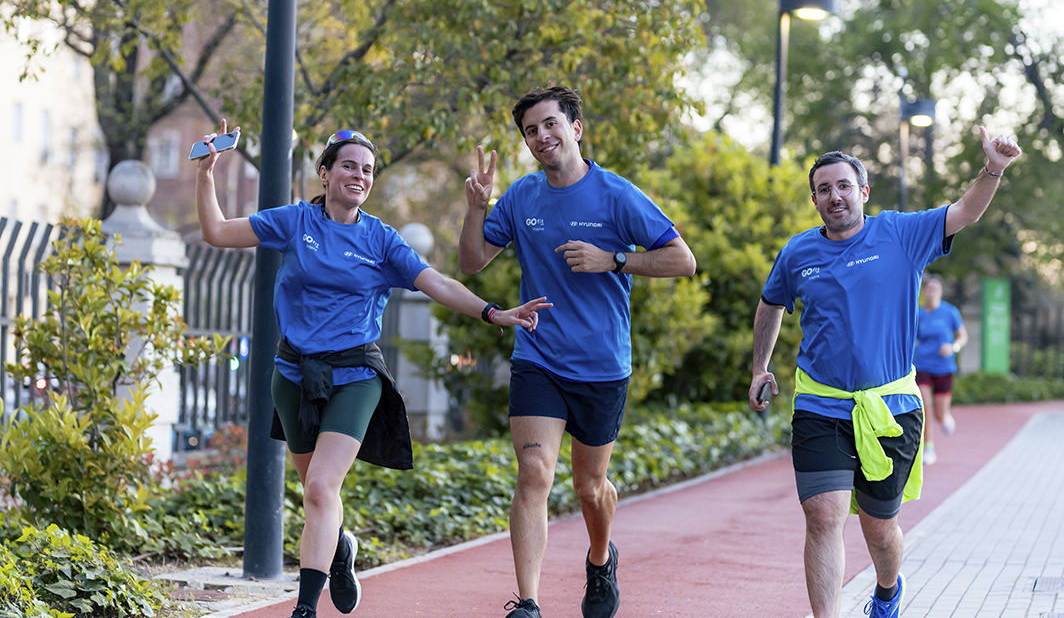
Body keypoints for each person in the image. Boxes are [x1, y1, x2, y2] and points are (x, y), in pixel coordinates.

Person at [196, 122, 552, 618]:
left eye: (367, 170)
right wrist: (207, 176)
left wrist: (494, 312)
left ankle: (304, 609)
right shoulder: (294, 222)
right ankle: (339, 549)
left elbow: (438, 282)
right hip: (294, 373)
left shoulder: (382, 240)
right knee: (317, 494)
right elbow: (216, 231)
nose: (358, 175)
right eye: (348, 166)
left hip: (354, 375)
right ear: (325, 173)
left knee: (322, 487)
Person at [749, 126, 1021, 618]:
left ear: (863, 191)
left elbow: (964, 212)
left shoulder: (901, 233)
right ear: (815, 200)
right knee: (823, 516)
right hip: (820, 403)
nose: (835, 196)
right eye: (824, 189)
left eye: (843, 186)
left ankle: (888, 589)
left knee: (878, 528)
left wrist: (993, 169)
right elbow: (771, 304)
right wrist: (759, 367)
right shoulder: (797, 253)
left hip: (891, 407)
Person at [459, 86, 697, 618]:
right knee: (534, 473)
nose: (541, 137)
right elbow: (472, 262)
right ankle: (528, 603)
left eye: (550, 125)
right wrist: (476, 210)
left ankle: (599, 557)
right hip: (538, 355)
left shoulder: (616, 195)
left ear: (575, 129)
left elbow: (683, 261)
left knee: (590, 488)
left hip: (600, 365)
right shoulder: (521, 196)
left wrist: (614, 259)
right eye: (530, 131)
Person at [914, 274, 967, 465]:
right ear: (924, 291)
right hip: (922, 366)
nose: (931, 292)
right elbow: (913, 337)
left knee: (938, 413)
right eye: (928, 289)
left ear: (941, 292)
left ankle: (945, 416)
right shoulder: (918, 314)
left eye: (935, 289)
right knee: (924, 407)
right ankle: (929, 447)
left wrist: (953, 347)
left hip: (944, 367)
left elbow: (963, 336)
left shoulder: (949, 312)